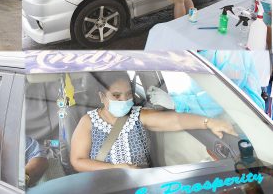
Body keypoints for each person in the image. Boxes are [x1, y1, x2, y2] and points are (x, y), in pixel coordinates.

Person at [70, 72, 237, 172]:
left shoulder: (137, 115)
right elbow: (78, 161)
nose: (124, 100)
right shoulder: (88, 122)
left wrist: (208, 122)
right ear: (101, 96)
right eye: (116, 95)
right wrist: (115, 168)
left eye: (128, 94)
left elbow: (176, 121)